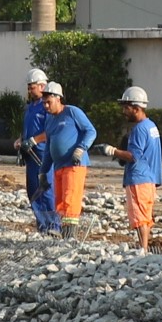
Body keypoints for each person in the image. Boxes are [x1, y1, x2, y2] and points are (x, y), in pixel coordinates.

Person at [102, 85, 162, 251]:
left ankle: (143, 249)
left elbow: (133, 156)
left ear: (136, 108)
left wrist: (112, 151)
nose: (124, 111)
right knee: (145, 215)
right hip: (149, 178)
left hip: (139, 178)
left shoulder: (139, 130)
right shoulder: (151, 126)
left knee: (140, 217)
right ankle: (143, 247)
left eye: (126, 107)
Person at [38, 82, 98, 235]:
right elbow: (48, 149)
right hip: (58, 166)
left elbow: (90, 131)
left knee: (70, 199)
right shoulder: (50, 120)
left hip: (74, 164)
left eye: (48, 102)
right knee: (60, 202)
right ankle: (63, 234)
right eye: (44, 103)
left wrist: (80, 148)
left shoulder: (72, 112)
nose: (45, 106)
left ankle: (70, 236)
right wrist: (43, 171)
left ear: (58, 99)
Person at [16, 67, 54, 232]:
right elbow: (27, 128)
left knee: (46, 190)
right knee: (33, 190)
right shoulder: (30, 107)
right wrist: (21, 140)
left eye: (32, 87)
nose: (30, 91)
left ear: (42, 86)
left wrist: (34, 140)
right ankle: (42, 225)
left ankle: (53, 226)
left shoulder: (47, 107)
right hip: (30, 155)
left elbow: (51, 130)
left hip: (43, 155)